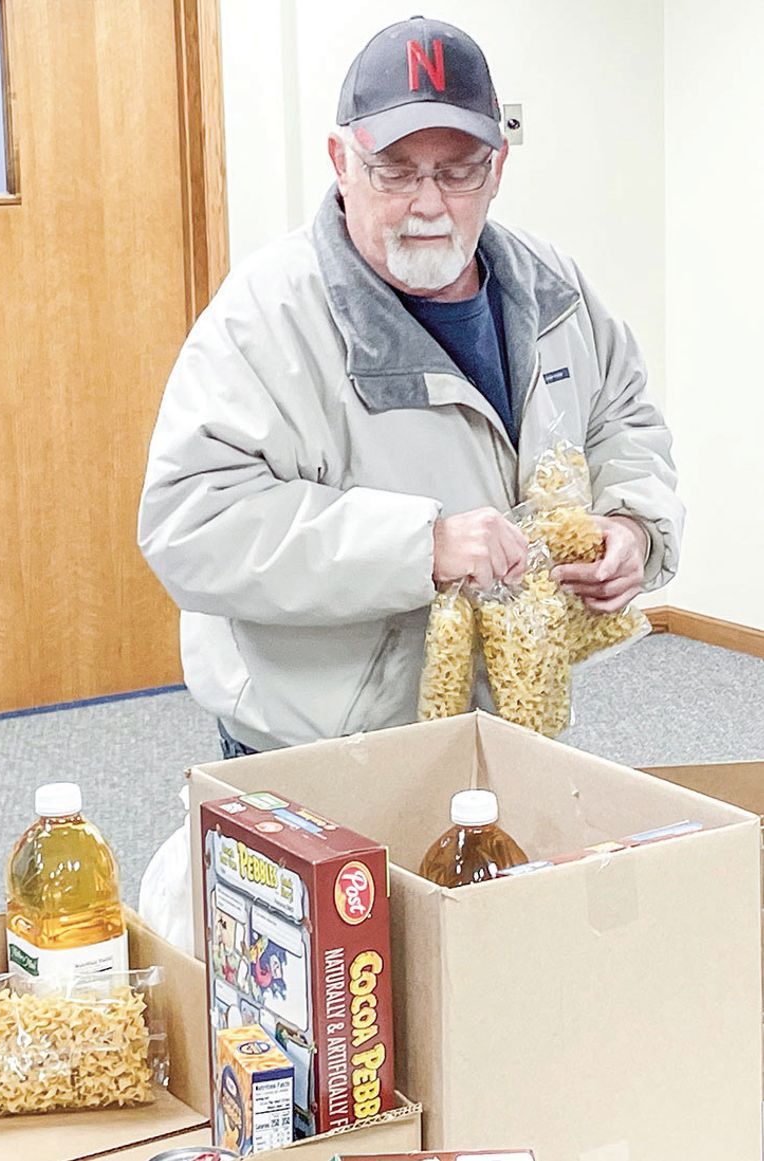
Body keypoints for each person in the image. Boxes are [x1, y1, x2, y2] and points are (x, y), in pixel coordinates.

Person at [137, 16, 684, 757]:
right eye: (395, 170)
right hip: (326, 749)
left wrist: (633, 526)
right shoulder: (266, 316)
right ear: (341, 161)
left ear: (497, 169)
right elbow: (191, 523)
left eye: (457, 170)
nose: (429, 205)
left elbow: (623, 419)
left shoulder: (554, 288)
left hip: (514, 726)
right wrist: (418, 546)